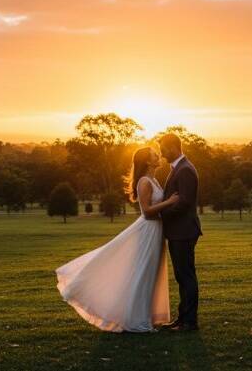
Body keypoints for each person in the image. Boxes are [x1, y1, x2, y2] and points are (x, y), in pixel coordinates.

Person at [55, 146, 178, 332]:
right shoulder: (144, 182)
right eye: (154, 155)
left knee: (151, 274)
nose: (159, 156)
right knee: (143, 273)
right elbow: (146, 212)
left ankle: (146, 316)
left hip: (156, 231)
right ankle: (136, 320)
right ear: (147, 161)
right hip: (148, 230)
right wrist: (169, 202)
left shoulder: (154, 180)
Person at [157, 133, 203, 331]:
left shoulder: (184, 170)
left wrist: (162, 215)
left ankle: (190, 322)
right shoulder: (179, 168)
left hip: (183, 231)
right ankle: (182, 318)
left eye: (163, 149)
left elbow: (183, 203)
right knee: (182, 276)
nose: (161, 153)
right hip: (179, 231)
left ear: (173, 147)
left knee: (186, 276)